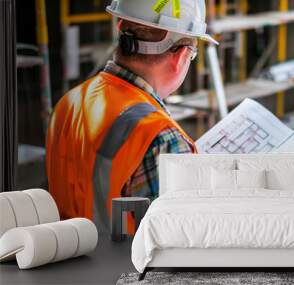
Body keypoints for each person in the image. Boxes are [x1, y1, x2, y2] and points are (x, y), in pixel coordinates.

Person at [46, 0, 218, 231]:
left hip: (68, 258)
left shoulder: (69, 102)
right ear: (180, 57)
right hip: (124, 266)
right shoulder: (161, 137)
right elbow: (185, 239)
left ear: (121, 31)